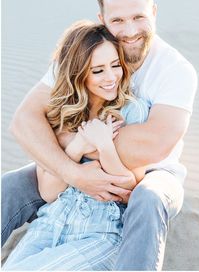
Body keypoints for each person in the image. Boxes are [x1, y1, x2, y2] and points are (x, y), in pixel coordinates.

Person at [2, 0, 198, 270]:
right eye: (118, 20)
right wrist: (73, 169)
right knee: (13, 184)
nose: (131, 30)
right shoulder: (85, 54)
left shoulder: (175, 70)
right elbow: (25, 120)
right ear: (102, 19)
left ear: (154, 12)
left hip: (154, 174)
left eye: (139, 16)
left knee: (147, 198)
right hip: (80, 160)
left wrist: (66, 137)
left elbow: (153, 146)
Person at [3, 20, 149, 270]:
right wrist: (79, 145)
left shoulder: (131, 110)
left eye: (115, 65)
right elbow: (49, 192)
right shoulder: (64, 114)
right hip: (51, 222)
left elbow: (129, 190)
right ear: (79, 73)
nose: (111, 77)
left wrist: (105, 146)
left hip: (101, 232)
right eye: (98, 70)